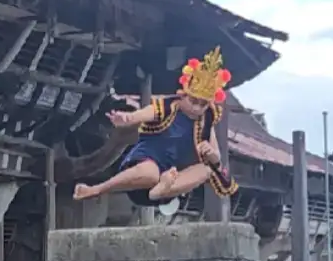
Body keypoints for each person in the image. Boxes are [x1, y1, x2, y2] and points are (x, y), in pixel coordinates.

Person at [72, 48, 238, 212]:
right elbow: (142, 114)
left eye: (203, 105)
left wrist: (210, 153)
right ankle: (97, 189)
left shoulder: (206, 121)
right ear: (183, 95)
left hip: (169, 183)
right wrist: (127, 118)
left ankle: (162, 190)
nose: (196, 108)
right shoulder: (167, 106)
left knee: (205, 169)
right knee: (150, 173)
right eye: (193, 101)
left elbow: (216, 161)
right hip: (144, 170)